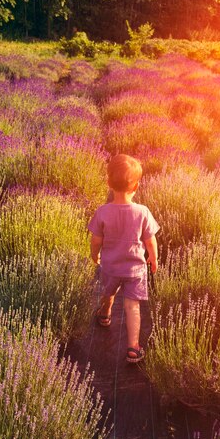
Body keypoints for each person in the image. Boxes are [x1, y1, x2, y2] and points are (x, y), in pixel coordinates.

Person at [88, 154, 159, 363]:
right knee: (132, 306)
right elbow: (150, 241)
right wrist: (153, 258)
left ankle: (105, 314)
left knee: (108, 292)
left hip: (110, 266)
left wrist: (95, 254)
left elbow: (95, 240)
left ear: (109, 183)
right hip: (135, 270)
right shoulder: (142, 212)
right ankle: (133, 347)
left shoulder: (102, 212)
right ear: (136, 186)